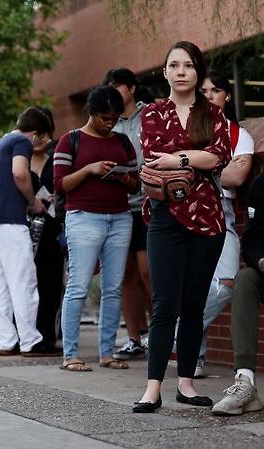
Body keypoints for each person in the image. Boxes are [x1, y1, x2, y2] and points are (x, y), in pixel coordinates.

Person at [133, 41, 230, 413]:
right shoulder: (153, 113)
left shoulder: (214, 115)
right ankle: (152, 388)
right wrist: (192, 158)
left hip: (208, 220)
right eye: (173, 65)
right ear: (164, 72)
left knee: (193, 305)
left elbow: (218, 156)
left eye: (188, 65)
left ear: (197, 71)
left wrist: (181, 157)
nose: (181, 71)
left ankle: (186, 385)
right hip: (165, 217)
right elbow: (157, 157)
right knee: (164, 305)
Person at [54, 86, 140, 371]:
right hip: (83, 217)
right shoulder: (70, 141)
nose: (110, 123)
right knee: (78, 285)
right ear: (91, 113)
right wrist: (89, 170)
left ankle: (107, 352)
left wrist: (121, 178)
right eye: (104, 118)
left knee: (113, 287)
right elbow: (60, 185)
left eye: (114, 118)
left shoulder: (123, 142)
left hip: (119, 217)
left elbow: (135, 183)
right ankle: (70, 354)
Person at [0, 107, 60, 357]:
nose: (41, 144)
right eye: (43, 138)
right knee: (23, 282)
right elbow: (19, 172)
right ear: (35, 134)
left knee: (0, 285)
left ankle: (6, 341)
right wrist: (32, 201)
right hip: (12, 222)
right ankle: (30, 341)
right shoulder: (19, 142)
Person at [192, 70, 254, 377]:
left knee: (226, 281)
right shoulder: (184, 128)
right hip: (183, 213)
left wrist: (202, 165)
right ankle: (195, 356)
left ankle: (174, 335)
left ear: (226, 96)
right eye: (203, 91)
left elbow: (236, 177)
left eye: (214, 90)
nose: (208, 95)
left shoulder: (237, 134)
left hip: (221, 212)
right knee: (193, 284)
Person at [101, 68, 154, 361]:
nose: (113, 90)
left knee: (149, 270)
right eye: (108, 86)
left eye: (117, 85)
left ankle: (161, 333)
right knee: (126, 275)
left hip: (149, 203)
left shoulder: (151, 114)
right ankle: (135, 337)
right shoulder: (107, 123)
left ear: (132, 88)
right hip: (120, 205)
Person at [211, 174, 264, 416]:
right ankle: (245, 381)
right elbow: (253, 238)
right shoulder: (261, 185)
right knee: (245, 279)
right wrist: (262, 261)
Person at [30, 107, 64, 351]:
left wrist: (56, 197)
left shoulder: (56, 159)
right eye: (35, 134)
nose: (39, 140)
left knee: (51, 282)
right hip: (25, 228)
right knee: (26, 281)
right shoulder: (19, 160)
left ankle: (48, 335)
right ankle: (28, 334)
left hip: (51, 228)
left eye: (44, 134)